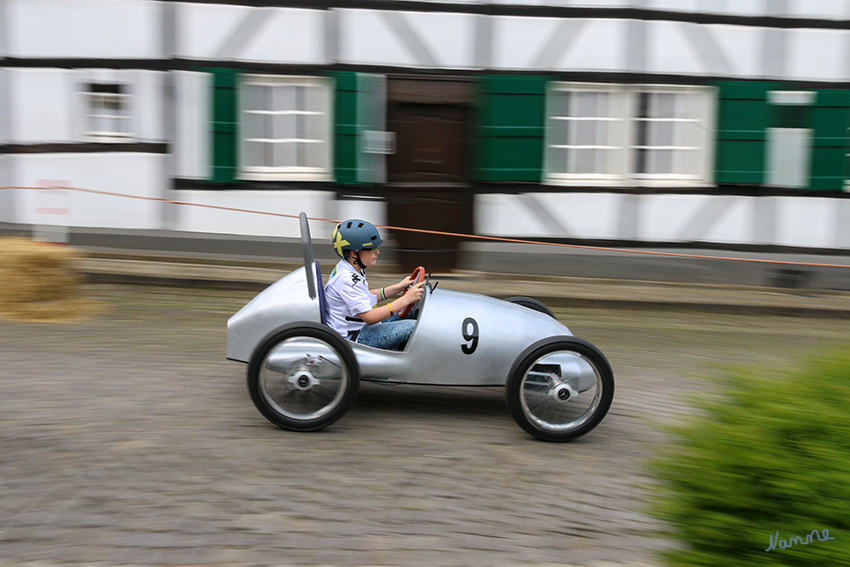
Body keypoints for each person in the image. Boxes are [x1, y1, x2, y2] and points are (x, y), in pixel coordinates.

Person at [324, 219, 424, 350]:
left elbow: (365, 296)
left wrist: (398, 287)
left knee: (413, 311)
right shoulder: (346, 279)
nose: (377, 252)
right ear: (354, 253)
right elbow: (370, 317)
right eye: (371, 248)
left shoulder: (348, 268)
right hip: (354, 338)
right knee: (414, 328)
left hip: (361, 328)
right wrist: (406, 299)